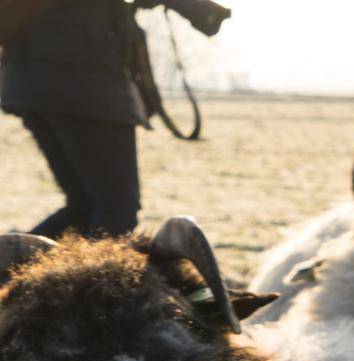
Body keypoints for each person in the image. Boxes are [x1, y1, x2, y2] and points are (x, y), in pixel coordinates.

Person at [1, 0, 231, 238]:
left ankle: (10, 270)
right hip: (84, 82)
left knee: (84, 207)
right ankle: (96, 275)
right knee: (116, 209)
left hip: (33, 81)